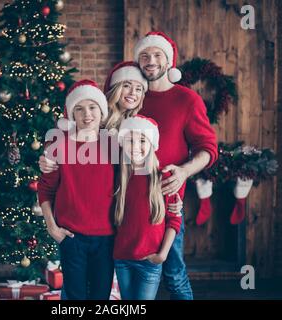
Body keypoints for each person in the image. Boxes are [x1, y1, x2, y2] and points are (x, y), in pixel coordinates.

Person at [133, 31, 218, 300]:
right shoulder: (131, 97)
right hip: (127, 203)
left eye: (157, 55)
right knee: (130, 274)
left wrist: (184, 171)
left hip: (167, 203)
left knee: (172, 274)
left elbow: (208, 149)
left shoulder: (186, 100)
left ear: (168, 61)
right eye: (145, 56)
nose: (151, 61)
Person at [37, 79, 115, 300]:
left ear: (101, 111)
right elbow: (45, 189)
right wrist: (52, 227)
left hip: (107, 236)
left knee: (101, 296)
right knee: (75, 296)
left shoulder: (114, 143)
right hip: (72, 236)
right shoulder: (58, 145)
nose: (86, 114)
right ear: (71, 115)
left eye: (92, 107)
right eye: (79, 109)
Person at [113, 115, 183, 300]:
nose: (136, 146)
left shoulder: (164, 177)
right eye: (130, 140)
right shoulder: (119, 178)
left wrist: (162, 255)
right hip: (122, 258)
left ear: (152, 144)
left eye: (142, 140)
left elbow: (174, 220)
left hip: (150, 261)